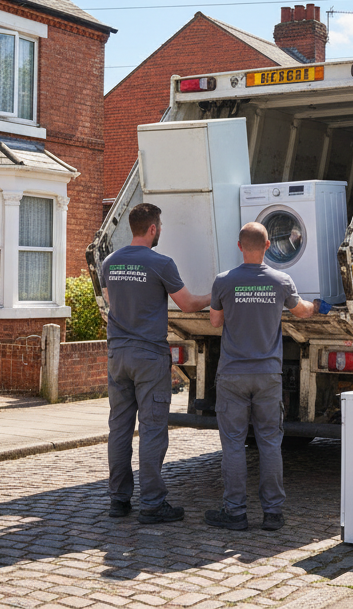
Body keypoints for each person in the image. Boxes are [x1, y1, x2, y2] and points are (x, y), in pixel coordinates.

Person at [205, 222, 326, 532]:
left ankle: (235, 513)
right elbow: (302, 312)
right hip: (268, 374)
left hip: (233, 374)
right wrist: (317, 306)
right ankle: (273, 513)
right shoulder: (281, 281)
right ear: (269, 245)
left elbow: (215, 322)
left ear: (239, 246)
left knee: (233, 444)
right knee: (270, 442)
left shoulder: (223, 282)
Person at [101, 203, 211, 524]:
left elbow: (111, 300)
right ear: (152, 229)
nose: (160, 230)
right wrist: (214, 294)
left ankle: (119, 500)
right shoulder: (161, 263)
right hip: (149, 356)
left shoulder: (111, 261)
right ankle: (151, 503)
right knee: (152, 429)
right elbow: (188, 304)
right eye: (159, 225)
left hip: (117, 355)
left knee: (119, 428)